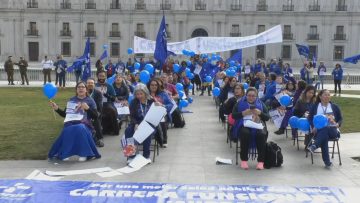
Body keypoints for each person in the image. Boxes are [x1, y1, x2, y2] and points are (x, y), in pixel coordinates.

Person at [48, 81, 101, 161]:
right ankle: (65, 153)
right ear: (76, 90)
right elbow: (66, 115)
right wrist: (57, 109)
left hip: (85, 124)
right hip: (71, 122)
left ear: (86, 90)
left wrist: (88, 109)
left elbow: (96, 116)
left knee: (80, 127)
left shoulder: (90, 100)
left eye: (83, 87)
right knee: (67, 128)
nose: (81, 89)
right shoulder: (71, 100)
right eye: (79, 87)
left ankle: (85, 153)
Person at [232, 87, 270, 170]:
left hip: (258, 124)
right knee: (245, 133)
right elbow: (234, 115)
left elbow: (267, 117)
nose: (251, 97)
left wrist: (260, 113)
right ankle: (244, 160)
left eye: (253, 96)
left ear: (256, 96)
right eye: (249, 95)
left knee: (261, 135)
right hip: (244, 123)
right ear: (246, 95)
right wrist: (243, 113)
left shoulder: (261, 103)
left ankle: (261, 162)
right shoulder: (239, 103)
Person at [307, 89, 343, 168]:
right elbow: (309, 118)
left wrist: (338, 124)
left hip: (333, 130)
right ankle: (327, 163)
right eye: (325, 95)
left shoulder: (334, 107)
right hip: (319, 132)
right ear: (320, 96)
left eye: (328, 95)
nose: (327, 96)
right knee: (324, 136)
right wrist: (313, 126)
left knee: (325, 128)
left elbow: (340, 119)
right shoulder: (316, 106)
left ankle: (314, 146)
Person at [125, 84, 158, 161]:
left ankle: (146, 156)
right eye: (137, 94)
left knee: (146, 131)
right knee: (128, 131)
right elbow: (132, 116)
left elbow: (159, 112)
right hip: (136, 122)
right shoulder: (134, 102)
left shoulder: (151, 101)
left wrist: (158, 105)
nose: (139, 96)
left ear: (145, 93)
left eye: (141, 94)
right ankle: (131, 155)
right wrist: (136, 124)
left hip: (149, 123)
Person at [148, 79, 174, 147]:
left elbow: (170, 105)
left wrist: (162, 105)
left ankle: (164, 140)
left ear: (158, 86)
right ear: (149, 86)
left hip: (162, 114)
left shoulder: (163, 93)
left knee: (162, 120)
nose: (154, 86)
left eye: (155, 85)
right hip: (148, 114)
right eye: (152, 85)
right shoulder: (145, 94)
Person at [95, 70, 119, 135]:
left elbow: (114, 98)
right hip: (96, 103)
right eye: (100, 76)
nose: (102, 78)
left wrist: (107, 95)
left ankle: (115, 130)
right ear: (97, 76)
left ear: (105, 76)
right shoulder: (94, 86)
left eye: (103, 76)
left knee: (112, 111)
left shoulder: (109, 86)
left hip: (107, 103)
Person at [86, 78, 104, 147]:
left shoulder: (98, 93)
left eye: (92, 83)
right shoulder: (83, 92)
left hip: (94, 111)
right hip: (84, 112)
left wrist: (98, 113)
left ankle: (99, 138)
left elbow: (100, 105)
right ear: (86, 84)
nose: (90, 84)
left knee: (96, 118)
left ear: (94, 84)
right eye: (88, 83)